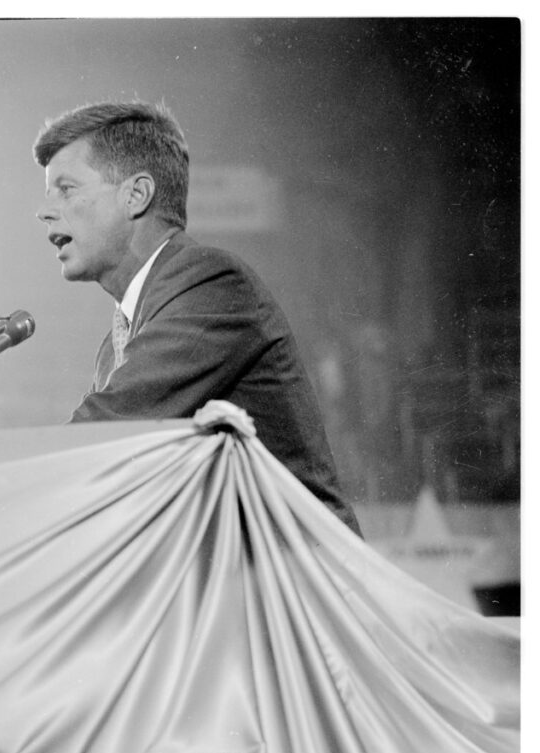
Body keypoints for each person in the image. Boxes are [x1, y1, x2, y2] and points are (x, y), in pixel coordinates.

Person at [33, 100, 361, 536]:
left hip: (299, 572)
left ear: (136, 195)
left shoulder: (211, 283)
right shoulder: (114, 344)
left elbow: (100, 436)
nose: (45, 209)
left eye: (66, 189)